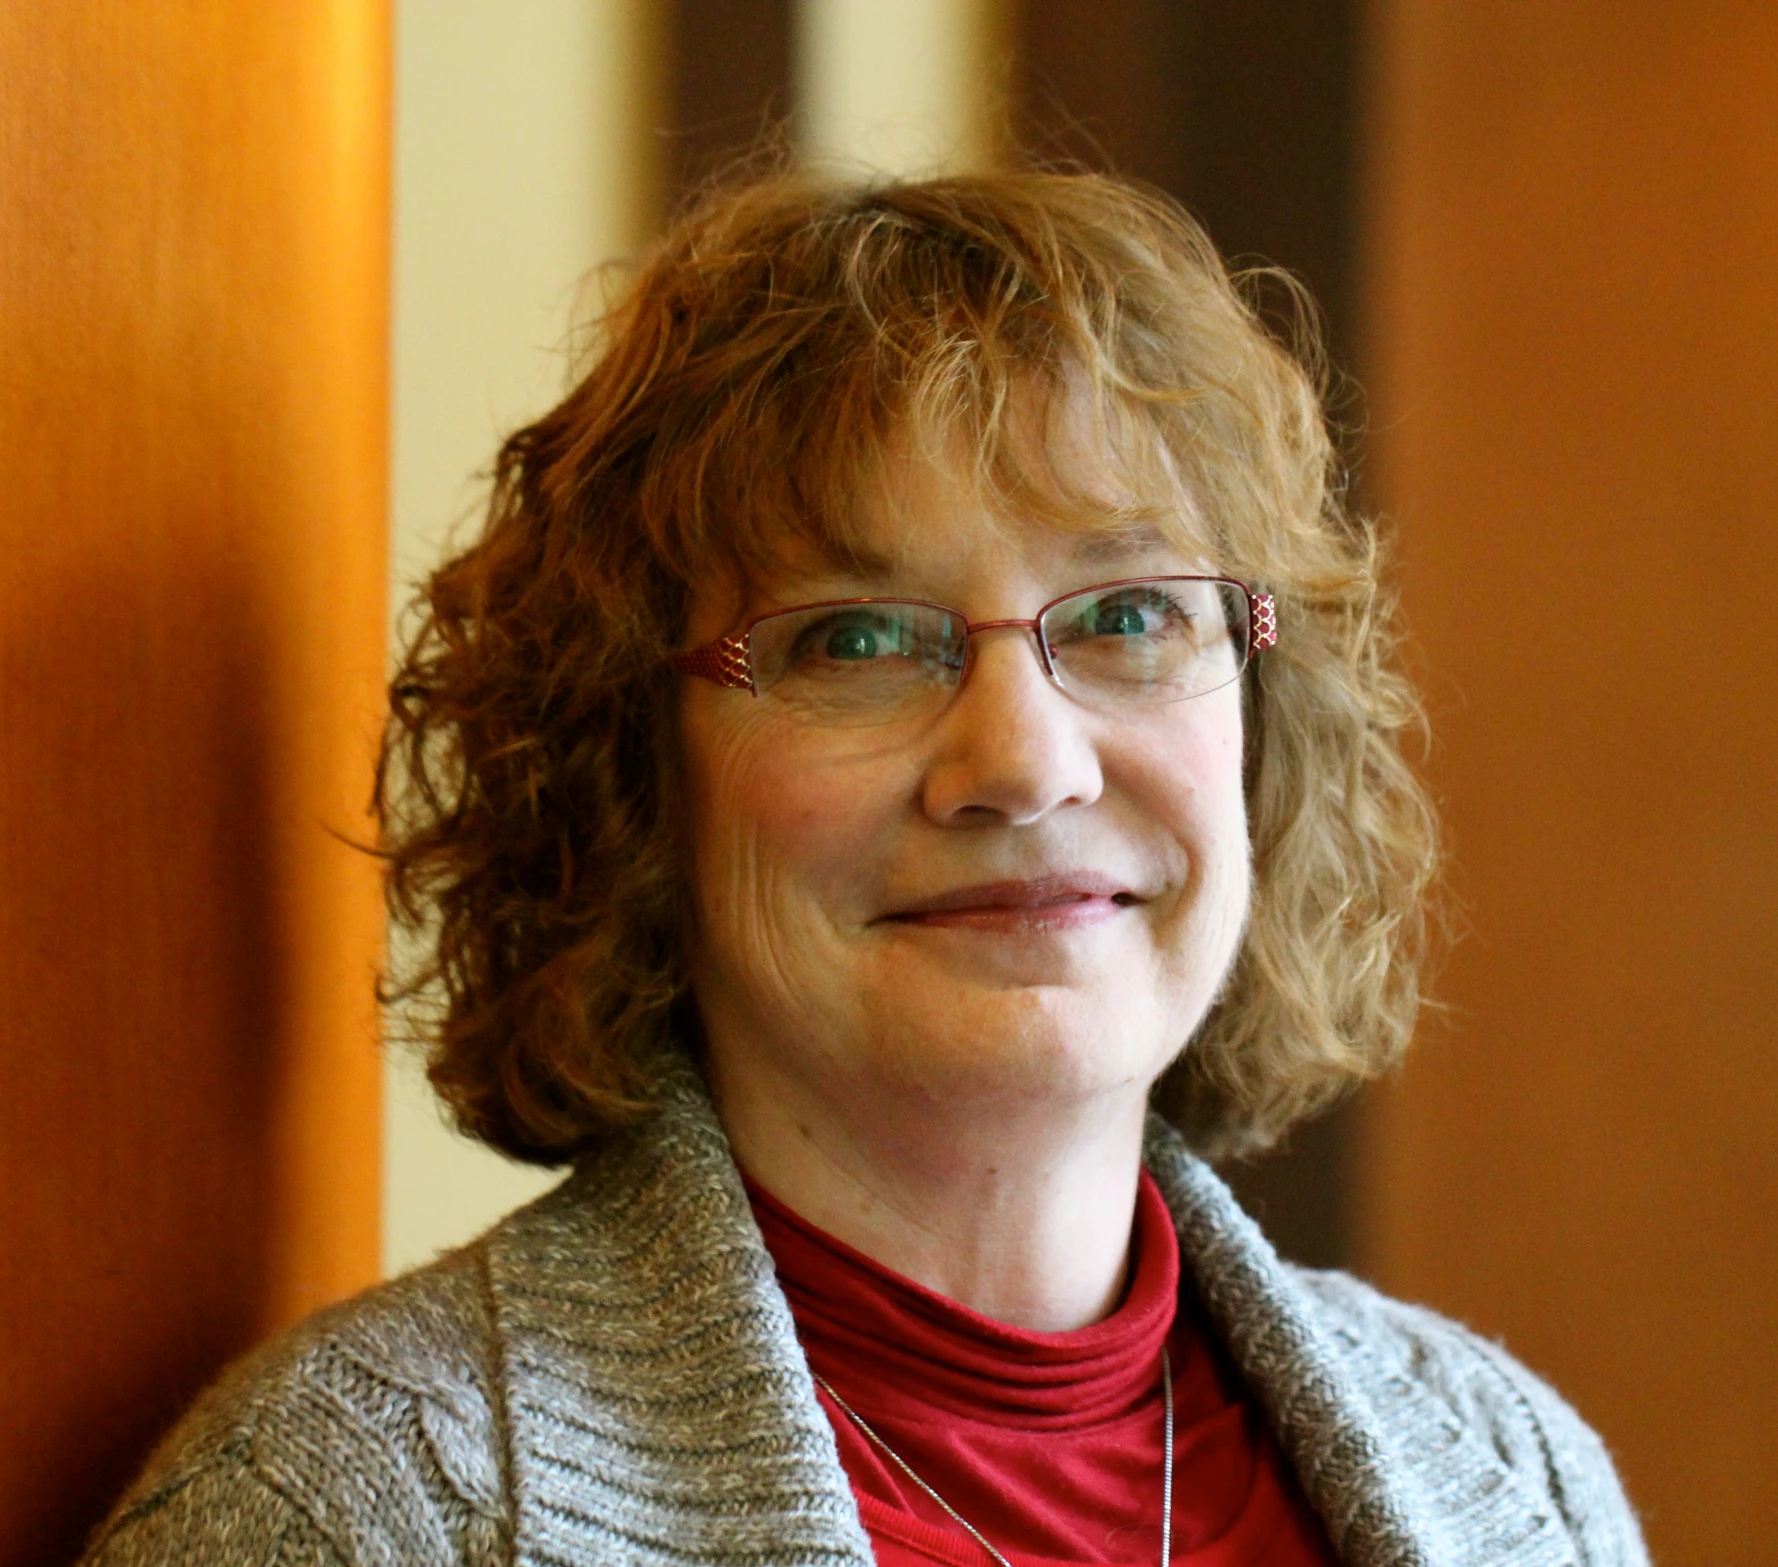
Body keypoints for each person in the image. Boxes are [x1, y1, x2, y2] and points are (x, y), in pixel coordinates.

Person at [82, 170, 1647, 1566]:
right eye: (851, 640)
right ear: (631, 774)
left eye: (1125, 617)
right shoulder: (362, 1513)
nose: (1023, 762)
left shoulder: (1518, 1478)